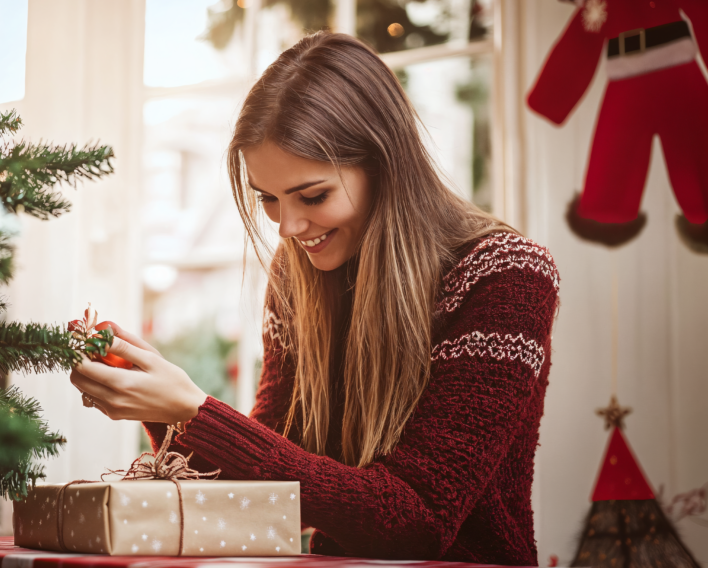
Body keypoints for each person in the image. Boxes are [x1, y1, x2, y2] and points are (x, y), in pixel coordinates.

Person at [70, 31, 559, 566]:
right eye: (269, 200)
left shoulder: (507, 275)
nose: (289, 227)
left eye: (313, 195)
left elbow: (414, 525)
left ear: (383, 162)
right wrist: (163, 407)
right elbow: (271, 487)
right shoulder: (298, 273)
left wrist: (194, 410)